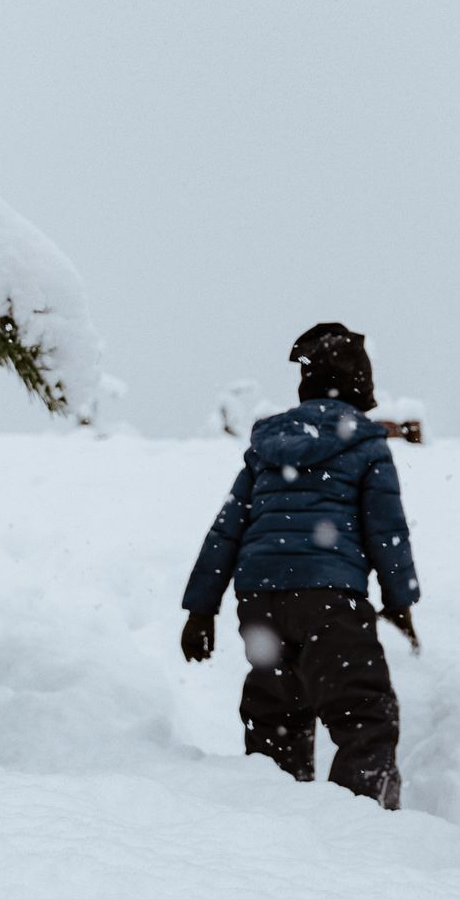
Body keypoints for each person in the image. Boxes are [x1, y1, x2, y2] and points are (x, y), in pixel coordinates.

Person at [180, 322, 420, 809]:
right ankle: (362, 833)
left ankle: (276, 825)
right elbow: (387, 532)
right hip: (330, 602)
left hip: (260, 603)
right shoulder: (367, 446)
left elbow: (225, 532)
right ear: (361, 388)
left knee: (276, 715)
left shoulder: (266, 449)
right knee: (364, 716)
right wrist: (400, 600)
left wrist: (200, 610)